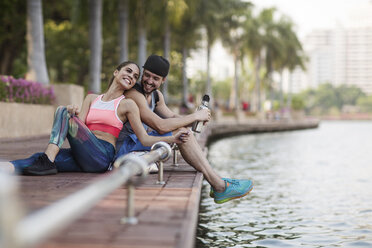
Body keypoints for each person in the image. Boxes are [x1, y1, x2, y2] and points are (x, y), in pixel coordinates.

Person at [5, 61, 189, 176]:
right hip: (83, 153)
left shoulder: (127, 104)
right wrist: (73, 113)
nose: (131, 77)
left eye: (135, 77)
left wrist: (172, 139)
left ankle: (47, 159)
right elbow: (80, 128)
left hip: (102, 155)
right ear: (116, 72)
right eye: (128, 71)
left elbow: (145, 138)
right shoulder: (91, 98)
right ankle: (8, 168)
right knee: (37, 159)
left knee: (62, 112)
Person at [117, 55, 253, 204]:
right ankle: (219, 185)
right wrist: (194, 117)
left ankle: (218, 181)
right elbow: (161, 126)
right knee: (180, 132)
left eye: (155, 78)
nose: (149, 81)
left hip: (139, 144)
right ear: (143, 73)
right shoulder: (134, 94)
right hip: (124, 149)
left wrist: (197, 119)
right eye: (147, 75)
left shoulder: (156, 96)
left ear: (163, 80)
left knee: (183, 130)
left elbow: (173, 117)